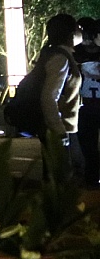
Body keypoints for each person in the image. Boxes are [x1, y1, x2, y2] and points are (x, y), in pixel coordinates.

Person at [37, 13, 83, 177]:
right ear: (71, 34)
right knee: (63, 178)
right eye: (78, 27)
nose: (81, 30)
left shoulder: (62, 55)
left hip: (65, 128)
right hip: (61, 130)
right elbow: (49, 97)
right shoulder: (60, 58)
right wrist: (59, 132)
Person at [75, 18, 100, 187]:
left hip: (87, 107)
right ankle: (92, 178)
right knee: (88, 147)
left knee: (89, 145)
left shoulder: (75, 53)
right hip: (84, 107)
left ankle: (92, 178)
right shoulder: (74, 53)